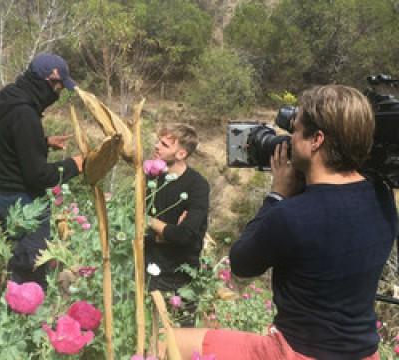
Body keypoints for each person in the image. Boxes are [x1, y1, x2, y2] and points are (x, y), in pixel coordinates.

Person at [170, 85, 397, 360]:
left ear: (316, 140)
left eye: (295, 132)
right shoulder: (382, 196)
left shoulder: (291, 215)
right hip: (364, 354)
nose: (289, 141)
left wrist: (277, 194)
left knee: (166, 340)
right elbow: (335, 215)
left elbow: (241, 264)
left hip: (297, 353)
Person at [0, 53, 83, 289]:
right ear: (48, 81)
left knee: (12, 274)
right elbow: (38, 175)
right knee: (29, 282)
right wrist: (76, 164)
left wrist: (42, 141)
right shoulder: (25, 113)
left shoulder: (7, 98)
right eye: (58, 88)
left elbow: (6, 140)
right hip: (24, 205)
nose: (57, 95)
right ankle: (25, 324)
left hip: (3, 198)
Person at [145, 123, 210, 324]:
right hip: (148, 270)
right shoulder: (151, 179)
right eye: (158, 141)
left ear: (181, 154)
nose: (156, 146)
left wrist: (149, 222)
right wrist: (166, 231)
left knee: (180, 341)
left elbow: (185, 236)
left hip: (180, 279)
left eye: (164, 144)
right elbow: (132, 219)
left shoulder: (197, 185)